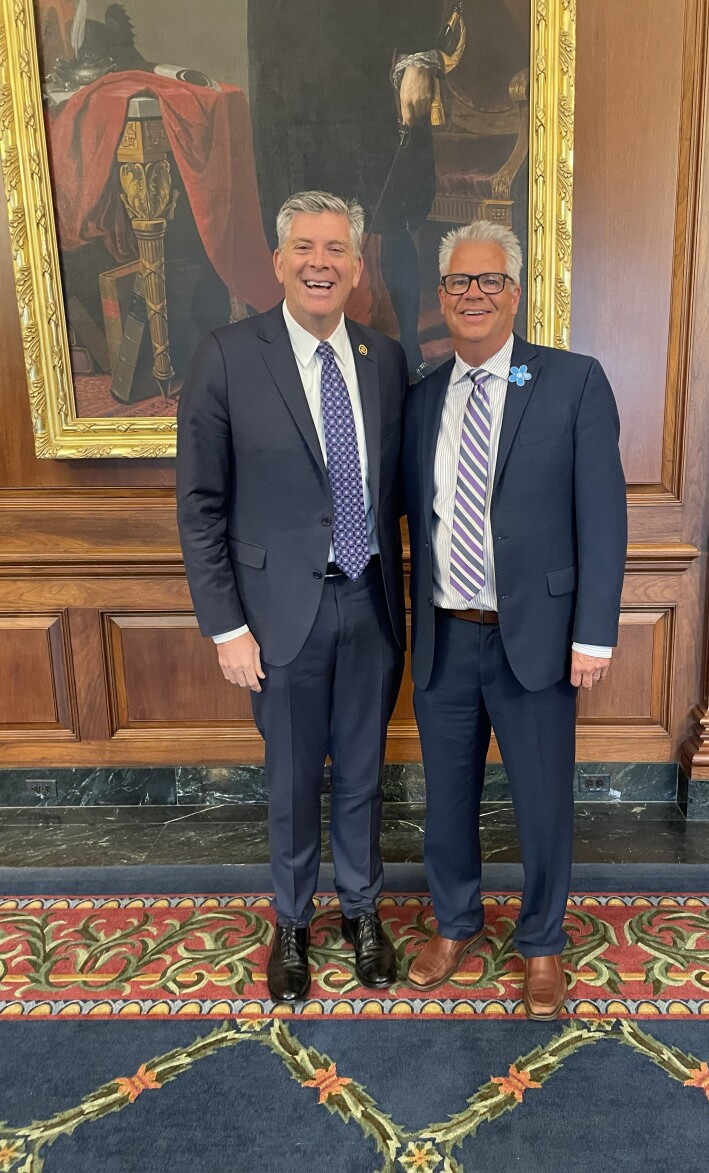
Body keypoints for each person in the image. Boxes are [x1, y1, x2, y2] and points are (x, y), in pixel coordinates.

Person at [177, 191, 407, 1004]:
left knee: (363, 776)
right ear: (277, 263)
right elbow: (200, 504)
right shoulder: (229, 355)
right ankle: (293, 923)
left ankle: (362, 912)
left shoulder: (384, 359)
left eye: (336, 247)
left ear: (356, 265)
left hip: (370, 606)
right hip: (276, 621)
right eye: (304, 247)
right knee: (291, 780)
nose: (320, 261)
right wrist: (225, 626)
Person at [402, 220, 627, 1019]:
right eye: (460, 282)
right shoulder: (422, 396)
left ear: (516, 292)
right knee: (448, 799)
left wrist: (594, 631)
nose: (474, 294)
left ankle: (541, 944)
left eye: (490, 280)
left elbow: (603, 516)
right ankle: (455, 923)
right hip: (446, 637)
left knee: (541, 800)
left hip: (538, 640)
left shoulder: (572, 382)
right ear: (441, 296)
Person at [247, 1, 445, 378]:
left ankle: (409, 349)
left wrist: (418, 56)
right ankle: (311, 352)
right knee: (297, 220)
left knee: (390, 217)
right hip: (281, 72)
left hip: (358, 69)